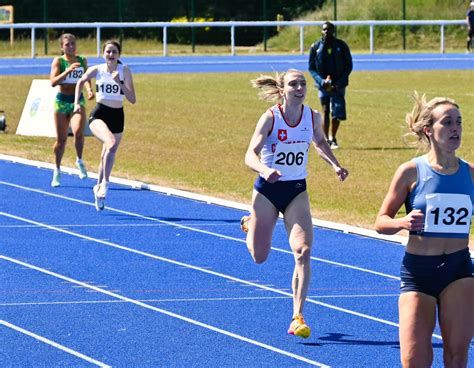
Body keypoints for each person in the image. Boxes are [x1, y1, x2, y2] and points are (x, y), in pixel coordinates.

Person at [241, 69, 349, 339]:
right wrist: (265, 171)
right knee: (259, 256)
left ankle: (297, 315)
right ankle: (251, 222)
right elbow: (250, 154)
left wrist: (336, 165)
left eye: (303, 83)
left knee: (302, 251)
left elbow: (321, 142)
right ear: (282, 90)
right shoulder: (270, 118)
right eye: (293, 84)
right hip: (267, 190)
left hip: (296, 190)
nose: (300, 88)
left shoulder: (312, 117)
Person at [374, 92, 474, 367]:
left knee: (457, 357)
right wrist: (401, 223)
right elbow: (381, 220)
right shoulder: (410, 172)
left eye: (459, 122)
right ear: (429, 130)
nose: (455, 129)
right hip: (419, 271)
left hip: (459, 270)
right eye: (448, 122)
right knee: (414, 360)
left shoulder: (471, 174)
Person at [74, 40, 136, 211]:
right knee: (110, 143)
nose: (111, 55)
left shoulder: (125, 70)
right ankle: (105, 184)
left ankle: (98, 187)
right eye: (108, 51)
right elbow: (80, 81)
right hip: (99, 114)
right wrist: (76, 104)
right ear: (103, 54)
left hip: (117, 116)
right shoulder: (97, 69)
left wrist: (120, 83)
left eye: (114, 52)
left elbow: (132, 99)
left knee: (109, 151)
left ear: (119, 55)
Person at [50, 33, 94, 187]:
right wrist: (68, 71)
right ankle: (57, 170)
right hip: (62, 101)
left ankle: (79, 160)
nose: (71, 46)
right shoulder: (59, 61)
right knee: (61, 140)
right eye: (67, 44)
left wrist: (89, 90)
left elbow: (86, 78)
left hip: (77, 100)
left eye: (73, 43)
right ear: (62, 47)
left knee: (78, 132)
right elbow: (53, 82)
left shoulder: (82, 60)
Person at [308, 21, 352, 150]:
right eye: (324, 29)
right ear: (321, 31)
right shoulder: (315, 47)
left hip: (339, 85)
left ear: (333, 31)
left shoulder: (341, 46)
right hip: (323, 86)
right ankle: (326, 139)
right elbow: (311, 68)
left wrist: (338, 83)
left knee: (336, 112)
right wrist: (322, 81)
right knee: (325, 110)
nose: (326, 32)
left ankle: (334, 138)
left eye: (329, 29)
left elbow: (348, 66)